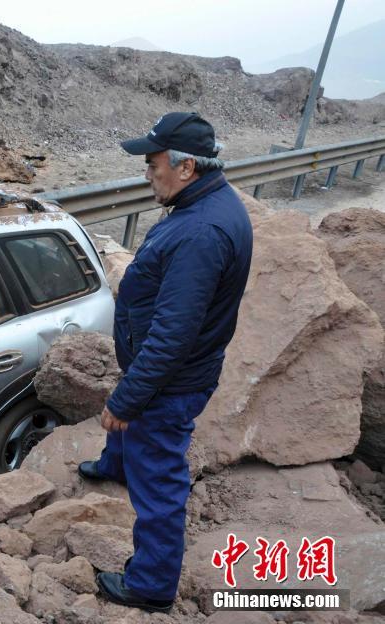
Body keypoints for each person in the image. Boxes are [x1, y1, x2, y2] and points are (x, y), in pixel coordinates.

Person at [79, 112, 253, 612]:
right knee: (132, 424)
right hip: (163, 369)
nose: (147, 173)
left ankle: (151, 584)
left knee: (158, 478)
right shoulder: (200, 204)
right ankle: (116, 464)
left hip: (170, 382)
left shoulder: (202, 232)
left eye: (152, 164)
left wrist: (128, 398)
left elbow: (173, 338)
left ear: (186, 167)